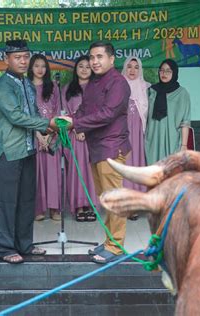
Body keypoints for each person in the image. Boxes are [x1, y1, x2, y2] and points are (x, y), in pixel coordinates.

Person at [62, 41, 131, 264]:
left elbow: (107, 114)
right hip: (96, 147)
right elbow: (85, 109)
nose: (94, 61)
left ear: (112, 59)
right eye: (92, 57)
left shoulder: (118, 83)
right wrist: (69, 121)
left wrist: (76, 123)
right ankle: (110, 241)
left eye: (100, 57)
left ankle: (116, 246)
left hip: (112, 146)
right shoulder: (93, 83)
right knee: (105, 199)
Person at [0, 40, 57, 264]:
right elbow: (16, 116)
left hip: (28, 149)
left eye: (25, 57)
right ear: (6, 59)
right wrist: (47, 123)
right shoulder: (1, 86)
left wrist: (45, 134)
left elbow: (34, 111)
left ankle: (24, 244)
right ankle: (6, 248)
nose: (22, 61)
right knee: (7, 202)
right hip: (8, 152)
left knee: (27, 200)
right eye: (17, 57)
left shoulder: (27, 83)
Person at [63, 55, 98, 222]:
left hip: (93, 136)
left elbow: (100, 113)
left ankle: (91, 205)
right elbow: (63, 113)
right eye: (81, 66)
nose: (84, 69)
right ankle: (78, 206)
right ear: (76, 69)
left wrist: (86, 128)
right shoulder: (67, 89)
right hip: (74, 136)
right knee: (77, 171)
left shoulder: (97, 87)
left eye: (88, 66)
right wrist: (76, 127)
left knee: (92, 171)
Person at [28, 54, 62, 222]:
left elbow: (57, 111)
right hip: (33, 137)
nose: (40, 69)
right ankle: (38, 209)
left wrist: (49, 135)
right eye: (36, 66)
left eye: (43, 66)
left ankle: (54, 209)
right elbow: (25, 114)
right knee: (36, 173)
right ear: (31, 68)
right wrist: (38, 135)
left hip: (52, 137)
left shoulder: (54, 87)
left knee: (53, 173)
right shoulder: (26, 87)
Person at [145, 59, 191, 165]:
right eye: (161, 70)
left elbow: (185, 121)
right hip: (153, 138)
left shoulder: (182, 93)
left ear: (174, 72)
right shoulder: (151, 91)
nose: (164, 73)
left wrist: (184, 145)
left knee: (171, 170)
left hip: (172, 138)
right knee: (154, 172)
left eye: (168, 71)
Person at [121, 56, 151, 221]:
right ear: (125, 68)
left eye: (136, 67)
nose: (132, 71)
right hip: (123, 133)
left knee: (136, 164)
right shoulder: (118, 87)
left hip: (138, 134)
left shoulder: (146, 88)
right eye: (129, 67)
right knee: (125, 165)